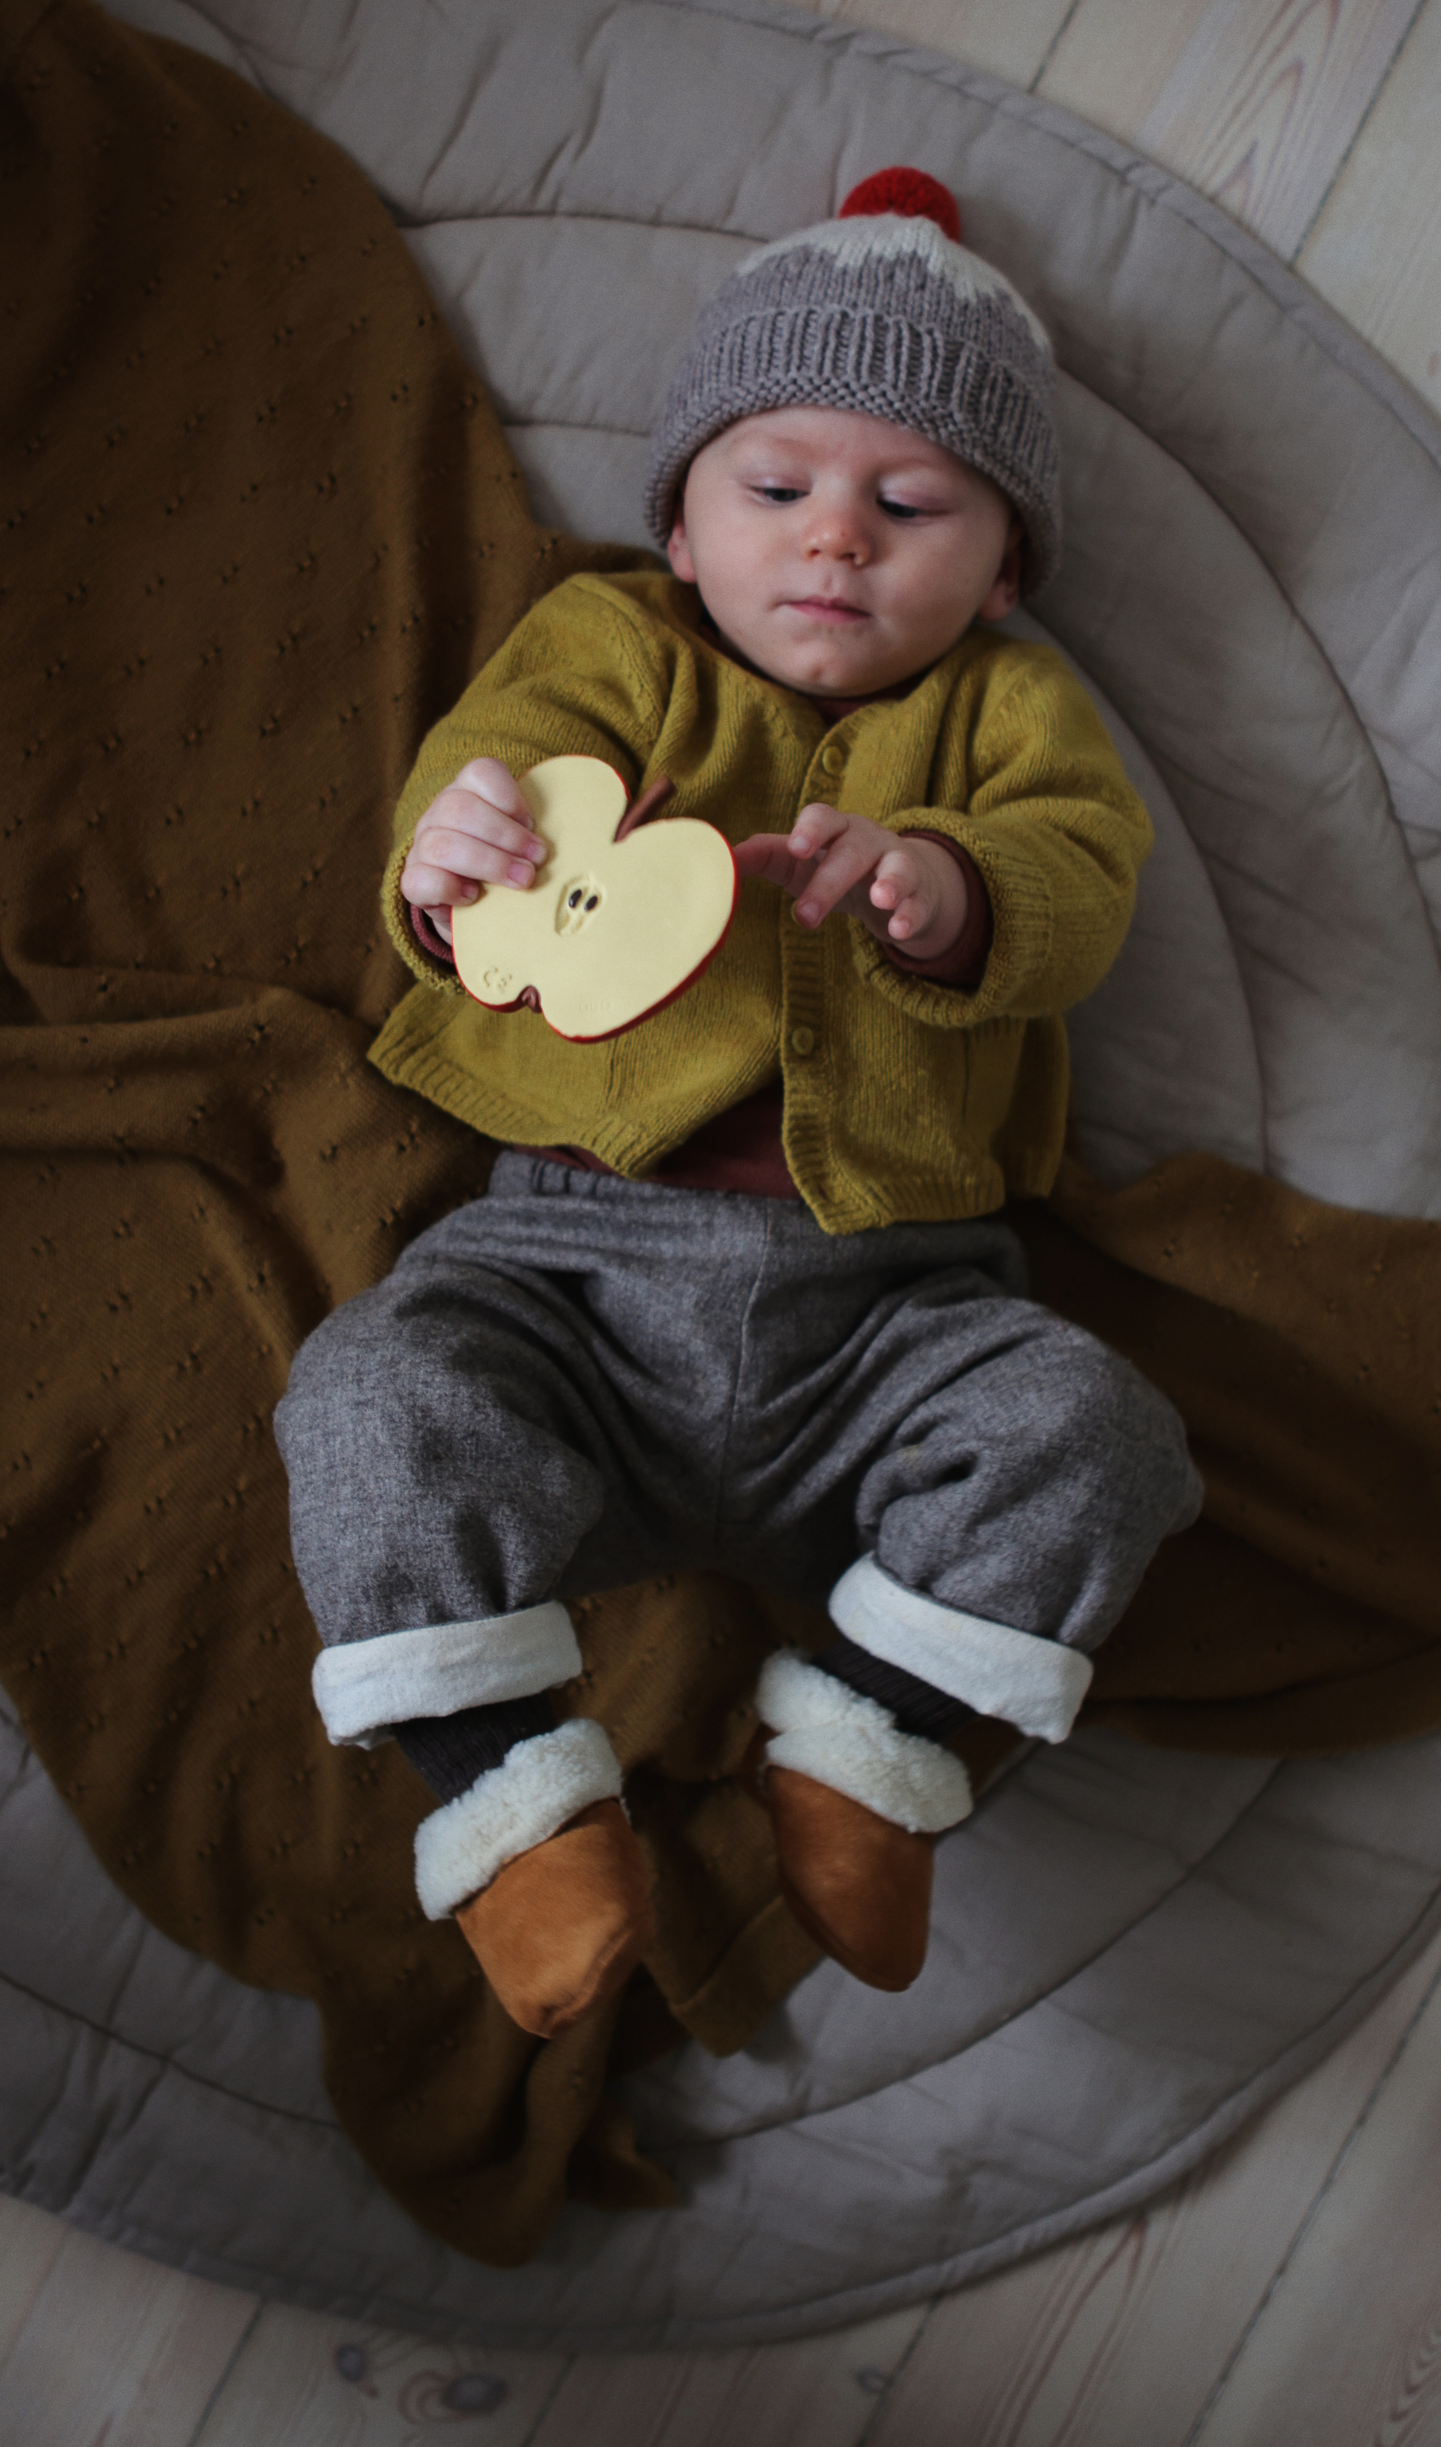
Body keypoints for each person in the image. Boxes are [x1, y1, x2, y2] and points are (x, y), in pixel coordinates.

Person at [274, 170, 1200, 2039]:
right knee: (368, 1397)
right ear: (683, 533)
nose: (837, 541)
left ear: (1004, 569)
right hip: (569, 1280)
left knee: (1094, 1433)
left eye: (911, 503)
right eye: (776, 489)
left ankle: (868, 1747)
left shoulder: (1012, 719)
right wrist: (447, 858)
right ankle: (510, 1794)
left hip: (898, 1311)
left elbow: (1083, 876)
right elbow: (494, 774)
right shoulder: (614, 647)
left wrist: (952, 889)